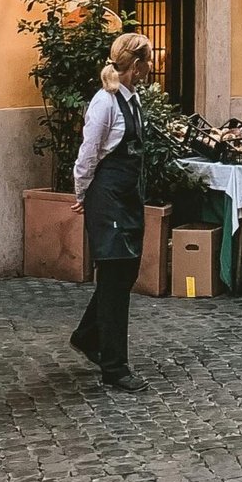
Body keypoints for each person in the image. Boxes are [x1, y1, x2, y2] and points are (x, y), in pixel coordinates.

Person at [70, 33, 153, 391]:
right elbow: (88, 153)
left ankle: (89, 336)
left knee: (123, 275)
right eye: (147, 62)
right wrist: (81, 191)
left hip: (127, 195)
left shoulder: (131, 99)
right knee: (116, 277)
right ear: (137, 66)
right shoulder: (104, 103)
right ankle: (115, 367)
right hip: (107, 198)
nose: (150, 69)